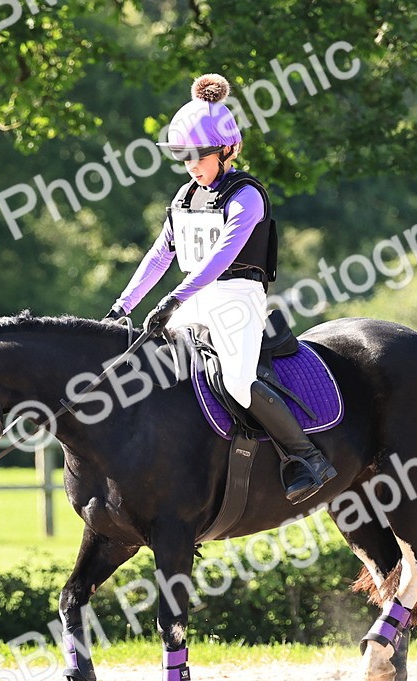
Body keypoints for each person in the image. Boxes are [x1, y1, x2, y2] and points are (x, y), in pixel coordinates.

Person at [105, 73, 336, 504]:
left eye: (200, 156)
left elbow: (219, 261)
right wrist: (123, 306)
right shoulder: (185, 196)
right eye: (185, 157)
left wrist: (173, 300)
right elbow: (160, 256)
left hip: (236, 299)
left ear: (227, 150)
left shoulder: (246, 196)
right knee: (151, 360)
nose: (192, 165)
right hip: (195, 297)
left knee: (237, 381)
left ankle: (305, 457)